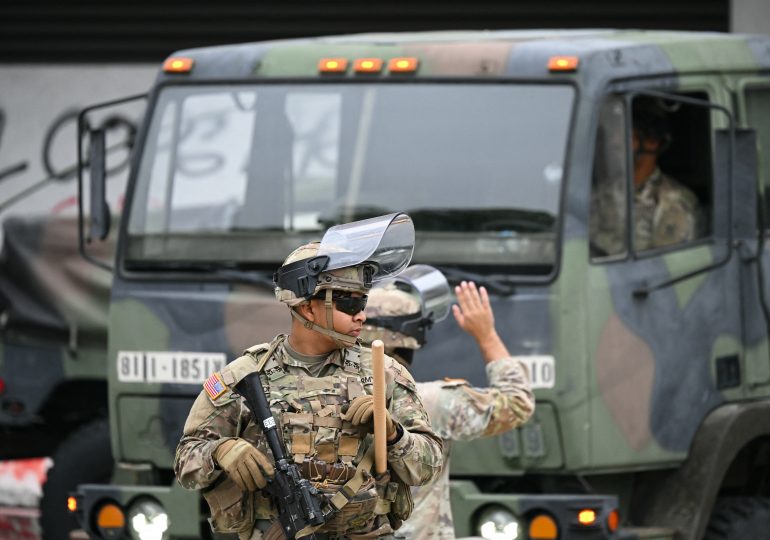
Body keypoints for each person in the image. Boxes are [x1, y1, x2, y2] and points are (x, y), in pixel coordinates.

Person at [174, 214, 443, 540]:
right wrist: (219, 453)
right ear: (306, 307)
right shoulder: (245, 377)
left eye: (363, 301)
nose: (361, 314)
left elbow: (428, 467)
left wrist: (393, 434)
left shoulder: (384, 373)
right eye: (348, 302)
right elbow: (186, 460)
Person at [360, 265, 535, 540]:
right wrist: (486, 335)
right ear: (412, 340)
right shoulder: (433, 402)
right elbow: (516, 403)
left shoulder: (328, 399)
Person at [590, 97, 701, 254]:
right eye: (612, 133)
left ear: (652, 141)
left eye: (623, 133)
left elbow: (663, 271)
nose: (614, 142)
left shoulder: (674, 202)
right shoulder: (600, 195)